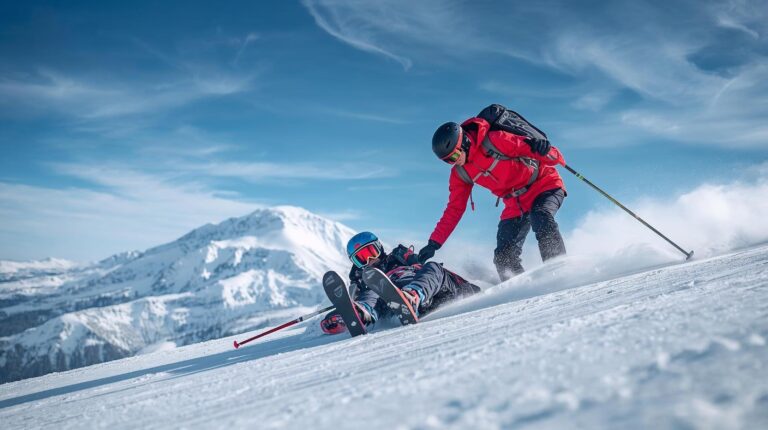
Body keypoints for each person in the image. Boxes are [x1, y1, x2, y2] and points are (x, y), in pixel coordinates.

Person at [417, 104, 567, 281]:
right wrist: (434, 243)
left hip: (544, 184)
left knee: (541, 215)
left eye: (454, 156)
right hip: (515, 203)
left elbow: (556, 158)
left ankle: (560, 274)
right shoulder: (460, 173)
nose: (454, 162)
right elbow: (454, 209)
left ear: (464, 142)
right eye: (447, 161)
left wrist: (544, 148)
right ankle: (522, 291)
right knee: (503, 257)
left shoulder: (496, 140)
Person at [320, 231, 480, 335]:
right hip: (393, 303)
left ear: (379, 248)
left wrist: (416, 259)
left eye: (370, 253)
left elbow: (426, 269)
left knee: (433, 267)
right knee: (373, 289)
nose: (369, 260)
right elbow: (357, 298)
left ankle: (412, 296)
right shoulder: (367, 279)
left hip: (437, 292)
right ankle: (363, 314)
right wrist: (341, 313)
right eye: (361, 259)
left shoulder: (399, 257)